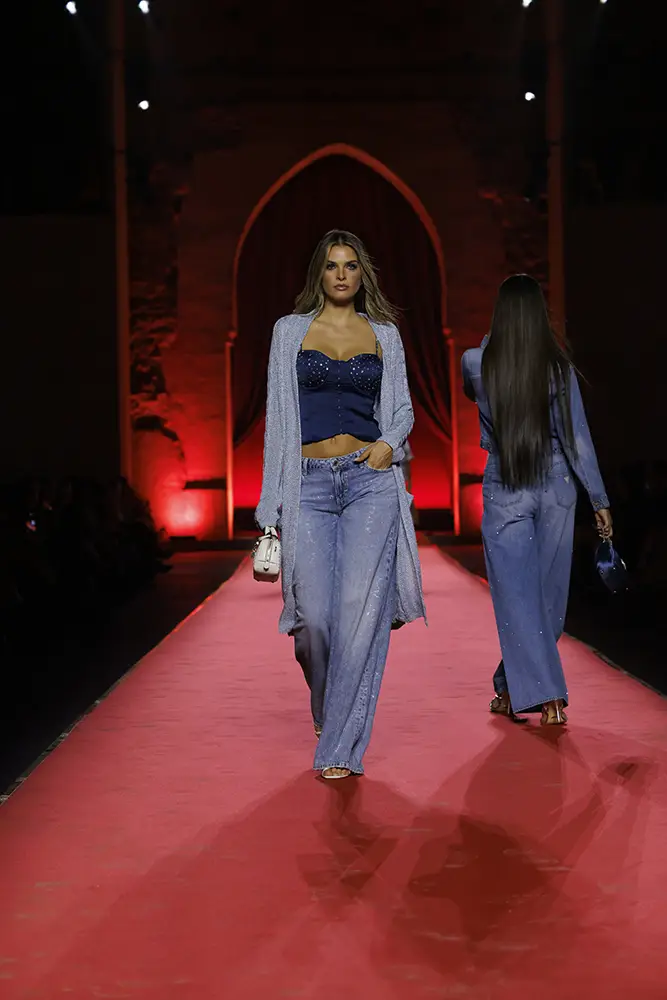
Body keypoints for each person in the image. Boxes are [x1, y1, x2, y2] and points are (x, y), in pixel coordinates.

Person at [256, 229, 425, 778]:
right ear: (319, 274)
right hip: (306, 485)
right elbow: (277, 422)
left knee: (358, 614)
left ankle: (339, 747)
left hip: (368, 483)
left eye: (351, 265)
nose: (342, 274)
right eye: (332, 265)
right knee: (313, 621)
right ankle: (328, 705)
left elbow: (402, 409)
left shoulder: (384, 335)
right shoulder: (288, 332)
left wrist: (387, 446)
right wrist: (269, 509)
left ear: (362, 273)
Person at [462, 274, 612, 726]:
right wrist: (599, 499)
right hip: (555, 483)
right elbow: (576, 437)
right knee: (544, 600)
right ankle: (549, 697)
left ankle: (512, 687)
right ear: (538, 316)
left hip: (507, 482)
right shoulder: (556, 367)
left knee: (524, 600)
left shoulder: (475, 362)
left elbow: (477, 391)